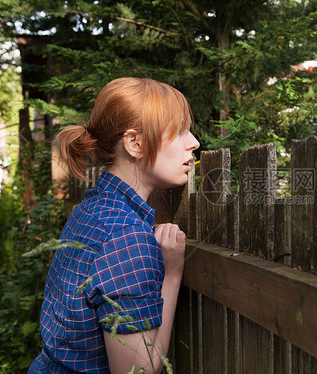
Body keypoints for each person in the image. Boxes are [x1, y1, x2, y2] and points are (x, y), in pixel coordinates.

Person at [29, 77, 200, 373]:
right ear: (135, 144)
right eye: (179, 132)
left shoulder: (91, 209)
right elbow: (138, 371)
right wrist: (172, 275)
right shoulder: (127, 238)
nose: (194, 142)